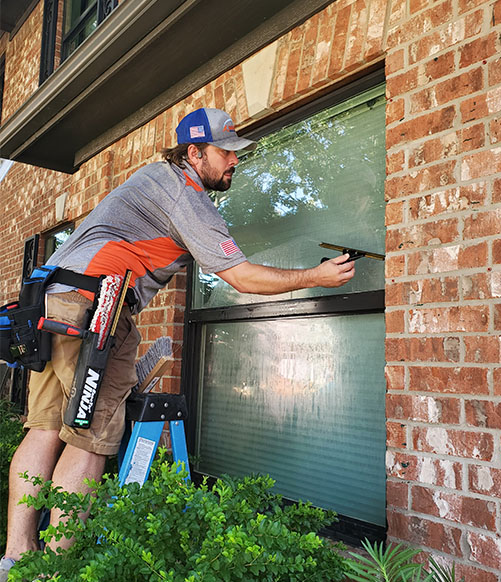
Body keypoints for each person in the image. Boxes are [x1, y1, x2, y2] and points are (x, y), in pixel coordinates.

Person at [0, 107, 355, 579]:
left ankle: (16, 560)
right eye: (225, 153)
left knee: (44, 429)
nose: (234, 162)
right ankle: (57, 571)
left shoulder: (152, 179)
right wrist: (316, 275)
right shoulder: (185, 195)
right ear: (194, 152)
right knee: (91, 439)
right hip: (96, 311)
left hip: (50, 306)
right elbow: (242, 278)